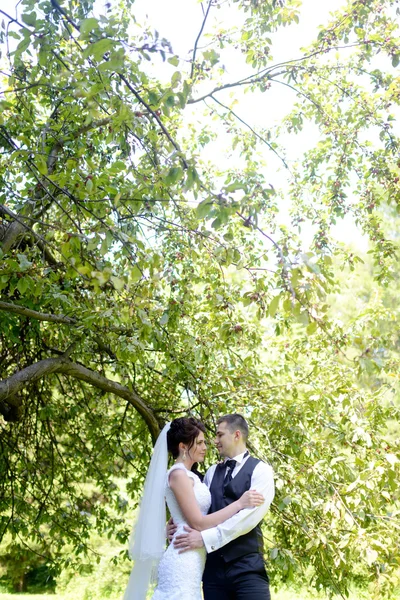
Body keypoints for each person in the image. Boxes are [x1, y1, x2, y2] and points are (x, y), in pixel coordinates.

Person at [123, 417, 264, 600]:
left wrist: (170, 524)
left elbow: (191, 510)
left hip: (195, 560)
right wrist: (239, 504)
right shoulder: (177, 475)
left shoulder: (193, 476)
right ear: (183, 447)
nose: (206, 447)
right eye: (199, 442)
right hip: (183, 559)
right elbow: (198, 522)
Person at [171, 414, 275, 600]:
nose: (215, 441)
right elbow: (199, 508)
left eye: (219, 435)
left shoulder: (261, 471)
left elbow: (246, 520)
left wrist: (204, 538)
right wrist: (173, 524)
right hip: (212, 573)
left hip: (247, 570)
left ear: (236, 435)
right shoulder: (211, 472)